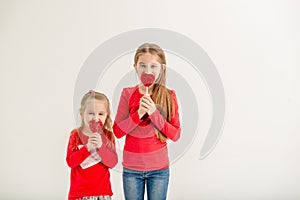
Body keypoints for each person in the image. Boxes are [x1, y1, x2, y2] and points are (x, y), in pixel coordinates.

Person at [113, 43, 181, 200]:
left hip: (159, 170)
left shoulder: (169, 95)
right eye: (143, 66)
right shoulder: (128, 93)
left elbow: (175, 134)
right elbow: (117, 131)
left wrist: (154, 113)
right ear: (135, 66)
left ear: (162, 68)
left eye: (153, 66)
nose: (148, 71)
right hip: (131, 170)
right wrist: (139, 114)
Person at [66, 90, 118, 200]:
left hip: (102, 193)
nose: (95, 118)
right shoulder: (75, 135)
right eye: (90, 113)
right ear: (82, 113)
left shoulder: (108, 136)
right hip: (79, 194)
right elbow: (70, 162)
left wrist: (101, 147)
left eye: (100, 114)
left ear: (106, 115)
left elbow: (112, 163)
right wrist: (87, 148)